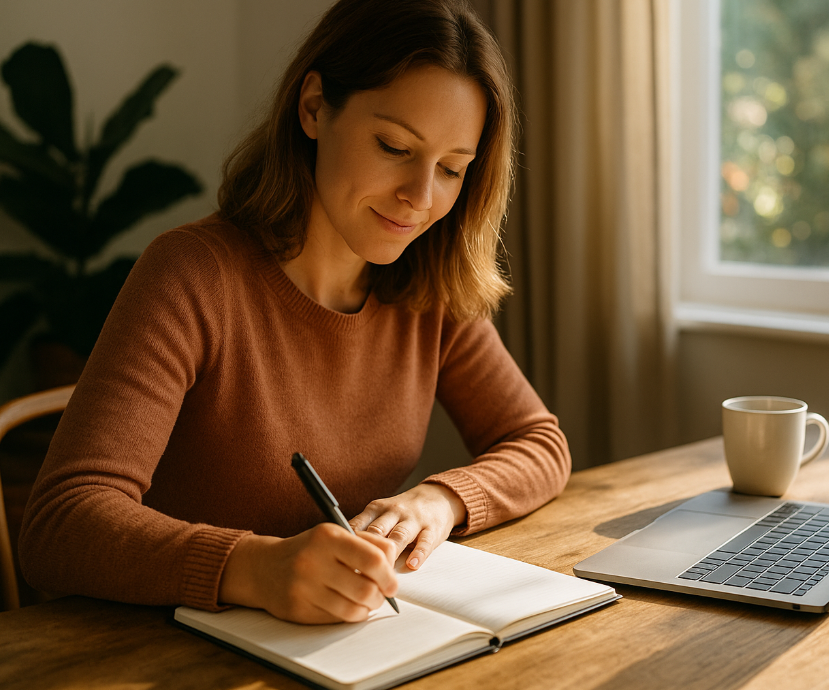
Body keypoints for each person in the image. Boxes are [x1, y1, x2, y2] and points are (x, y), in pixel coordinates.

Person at [19, 0, 570, 625]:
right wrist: (254, 567)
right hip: (167, 654)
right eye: (393, 147)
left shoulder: (427, 288)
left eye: (451, 169)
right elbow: (60, 525)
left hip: (336, 650)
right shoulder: (193, 275)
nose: (420, 198)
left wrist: (439, 501)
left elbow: (538, 443)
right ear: (313, 107)